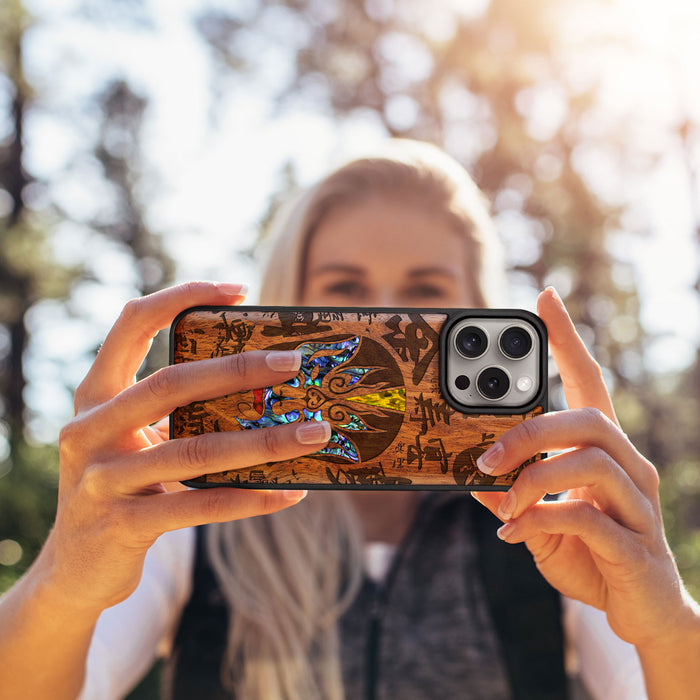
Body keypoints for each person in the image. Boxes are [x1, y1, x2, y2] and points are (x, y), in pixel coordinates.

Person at [1, 140, 699, 700]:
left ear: (476, 313)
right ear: (283, 311)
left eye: (425, 294)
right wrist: (63, 582)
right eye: (345, 292)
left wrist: (667, 627)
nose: (385, 322)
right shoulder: (196, 517)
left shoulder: (545, 523)